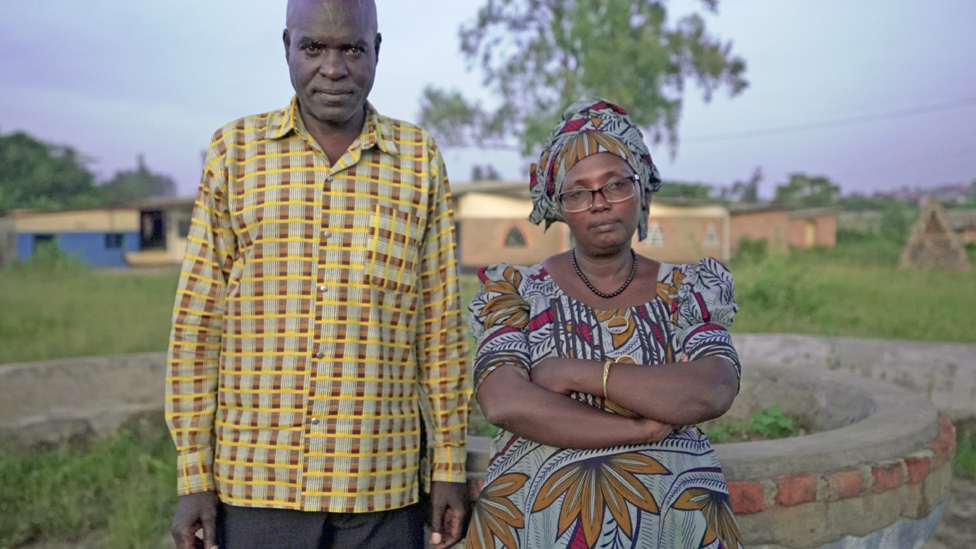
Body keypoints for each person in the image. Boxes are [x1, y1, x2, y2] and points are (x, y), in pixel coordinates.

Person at [164, 1, 471, 548]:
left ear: (377, 49)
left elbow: (440, 325)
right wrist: (194, 476)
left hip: (383, 488)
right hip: (255, 487)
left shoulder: (418, 159)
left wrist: (448, 464)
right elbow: (198, 323)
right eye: (314, 49)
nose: (333, 69)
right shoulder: (234, 153)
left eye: (352, 48)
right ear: (287, 46)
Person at [465, 99, 744, 549]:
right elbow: (502, 401)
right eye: (578, 192)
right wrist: (637, 430)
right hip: (533, 529)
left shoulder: (685, 290)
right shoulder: (518, 290)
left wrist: (577, 373)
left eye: (615, 185)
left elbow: (713, 387)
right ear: (559, 205)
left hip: (672, 528)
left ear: (641, 190)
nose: (599, 203)